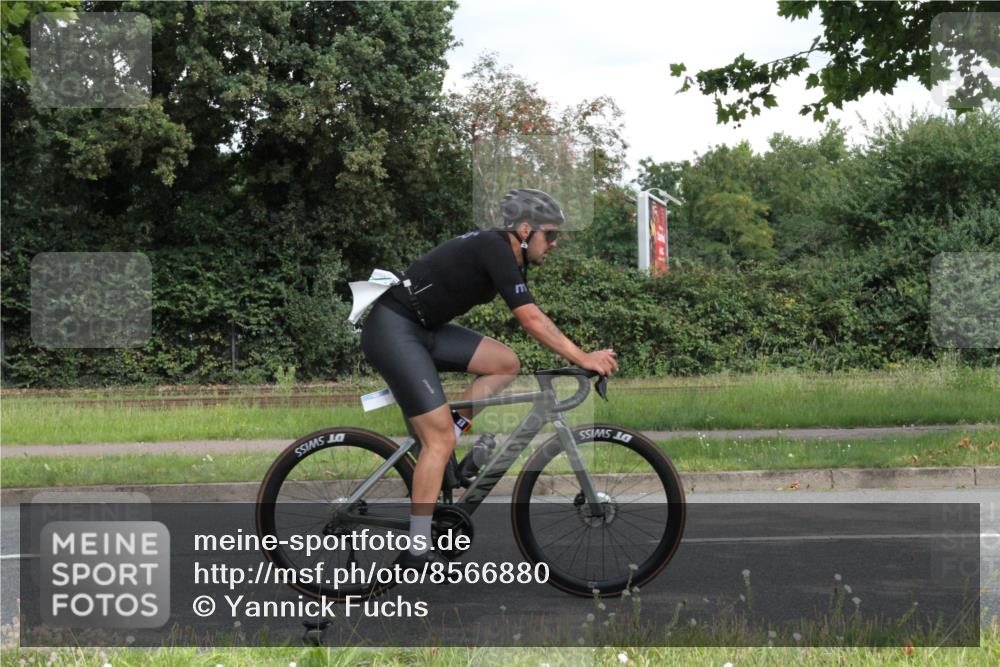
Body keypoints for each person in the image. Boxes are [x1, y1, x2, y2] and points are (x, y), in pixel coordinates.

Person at [360, 188, 619, 569]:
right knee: (438, 439)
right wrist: (584, 357)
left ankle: (453, 430)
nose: (555, 244)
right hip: (394, 330)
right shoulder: (495, 247)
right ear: (526, 229)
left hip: (424, 329)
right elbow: (531, 319)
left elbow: (531, 316)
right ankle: (416, 548)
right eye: (552, 235)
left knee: (504, 363)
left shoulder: (507, 254)